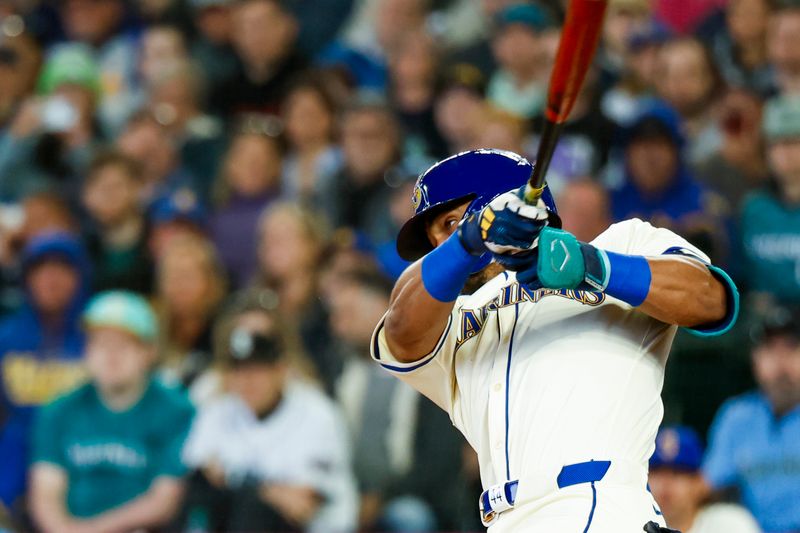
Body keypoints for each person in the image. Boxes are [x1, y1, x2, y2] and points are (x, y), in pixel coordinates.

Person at [372, 149, 737, 531]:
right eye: (437, 242)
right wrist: (467, 238)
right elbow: (400, 329)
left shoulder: (622, 242)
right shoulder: (448, 323)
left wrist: (592, 266)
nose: (441, 248)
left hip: (593, 500)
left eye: (448, 225)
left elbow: (710, 300)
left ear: (498, 201)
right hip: (503, 518)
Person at [28, 291, 194, 533]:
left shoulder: (177, 410)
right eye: (100, 342)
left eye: (124, 344)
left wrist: (90, 530)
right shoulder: (59, 409)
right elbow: (46, 493)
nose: (110, 355)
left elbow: (164, 501)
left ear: (149, 352)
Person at [181, 307, 357, 532]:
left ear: (280, 369)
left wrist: (239, 480)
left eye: (257, 369)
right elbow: (200, 478)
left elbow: (301, 507)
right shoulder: (220, 409)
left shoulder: (316, 413)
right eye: (239, 370)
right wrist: (270, 489)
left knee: (254, 508)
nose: (247, 380)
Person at [329, 269, 464, 532]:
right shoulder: (336, 372)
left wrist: (380, 499)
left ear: (382, 307)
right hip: (345, 494)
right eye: (335, 316)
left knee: (409, 517)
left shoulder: (429, 368)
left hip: (412, 497)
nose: (338, 326)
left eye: (348, 314)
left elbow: (440, 460)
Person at [703, 305, 800, 533]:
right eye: (769, 349)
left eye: (792, 347)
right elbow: (708, 486)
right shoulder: (737, 416)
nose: (780, 362)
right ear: (754, 359)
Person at [740, 95, 800, 304]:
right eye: (775, 144)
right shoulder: (754, 208)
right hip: (764, 330)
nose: (784, 153)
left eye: (792, 142)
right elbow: (741, 278)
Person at [648, 426, 760, 533]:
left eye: (677, 473)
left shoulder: (731, 523)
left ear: (699, 481)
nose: (665, 483)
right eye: (656, 472)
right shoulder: (633, 524)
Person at [211, 129, 282, 288]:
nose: (253, 166)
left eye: (261, 159)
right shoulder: (216, 217)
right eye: (245, 158)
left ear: (275, 166)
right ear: (230, 165)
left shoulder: (283, 216)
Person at [155, 235, 226, 391]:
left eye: (188, 277)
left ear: (210, 282)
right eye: (172, 277)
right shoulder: (153, 331)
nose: (179, 286)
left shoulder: (226, 330)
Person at [81, 150, 154, 295]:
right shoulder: (83, 246)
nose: (109, 196)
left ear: (137, 189)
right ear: (87, 195)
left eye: (116, 186)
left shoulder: (155, 241)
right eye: (102, 188)